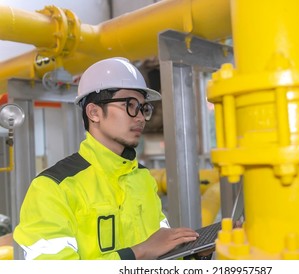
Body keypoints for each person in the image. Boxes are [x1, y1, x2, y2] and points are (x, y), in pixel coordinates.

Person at [13, 57, 200, 260]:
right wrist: (139, 253)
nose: (139, 117)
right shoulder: (53, 187)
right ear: (94, 112)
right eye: (130, 105)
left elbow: (160, 251)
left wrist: (192, 256)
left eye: (144, 108)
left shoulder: (142, 178)